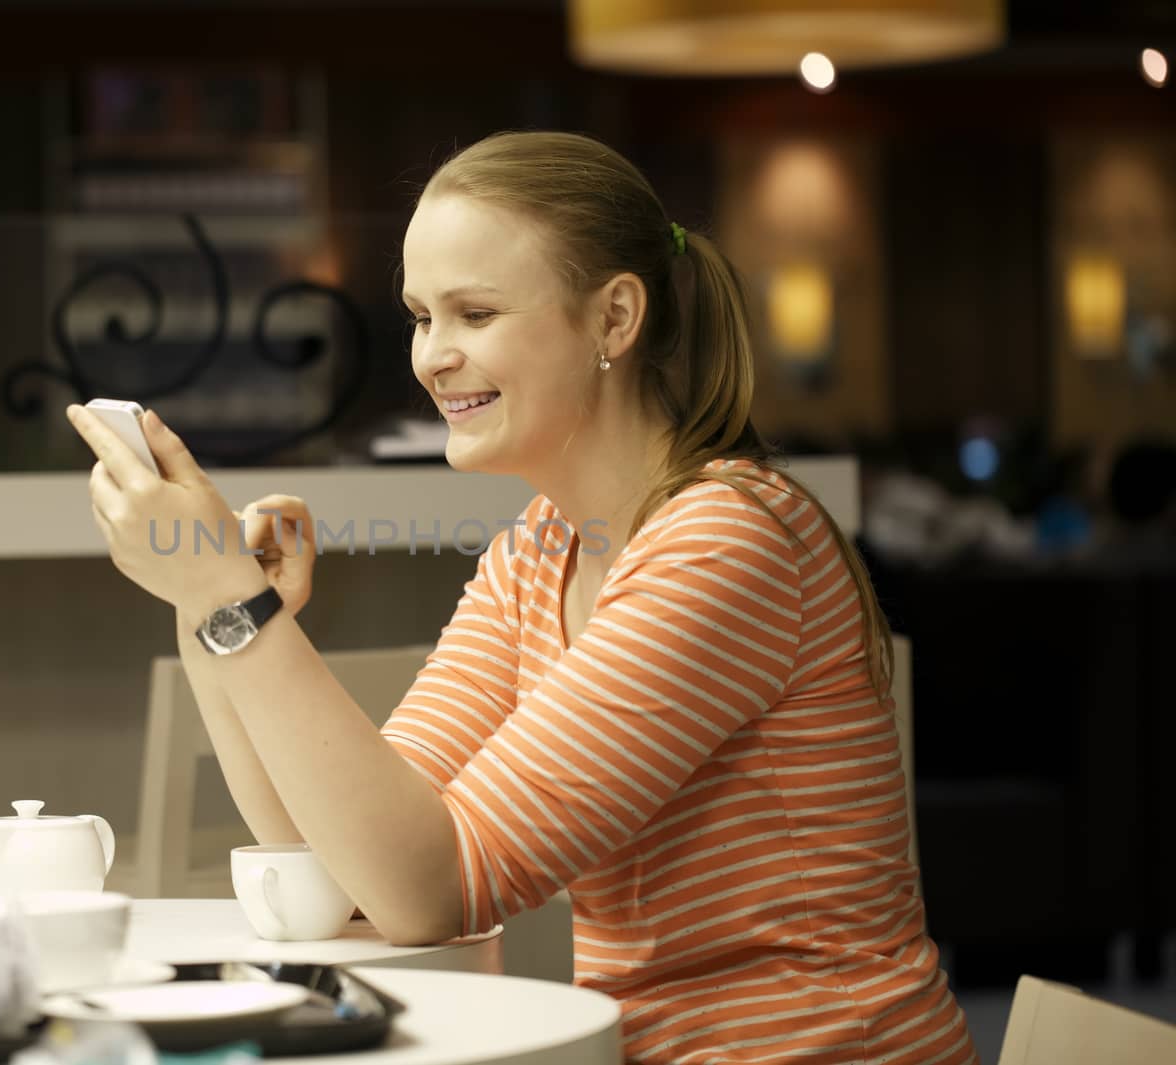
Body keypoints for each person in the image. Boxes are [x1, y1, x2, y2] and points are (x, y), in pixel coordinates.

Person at [66, 130, 975, 1065]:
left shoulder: (727, 542)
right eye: (423, 317)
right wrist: (213, 601)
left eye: (475, 313)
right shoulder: (537, 551)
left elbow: (431, 887)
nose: (432, 357)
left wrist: (234, 604)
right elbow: (345, 863)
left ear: (615, 319)